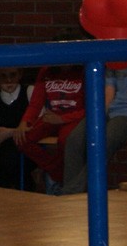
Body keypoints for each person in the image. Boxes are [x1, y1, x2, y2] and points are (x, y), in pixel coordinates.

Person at [62, 59, 127, 195]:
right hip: (111, 109)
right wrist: (98, 118)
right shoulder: (116, 62)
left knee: (105, 140)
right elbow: (108, 94)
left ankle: (72, 191)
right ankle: (74, 193)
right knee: (74, 139)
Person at [13, 62, 85, 192]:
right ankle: (56, 173)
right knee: (22, 139)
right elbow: (36, 102)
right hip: (52, 116)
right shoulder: (46, 70)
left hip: (74, 118)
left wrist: (63, 119)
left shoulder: (84, 70)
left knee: (66, 141)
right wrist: (25, 122)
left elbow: (90, 108)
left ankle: (58, 179)